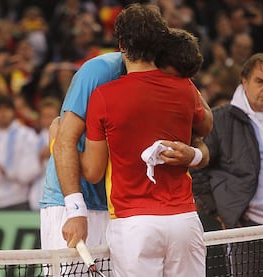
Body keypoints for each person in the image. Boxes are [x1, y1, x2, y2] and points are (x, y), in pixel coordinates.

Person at [41, 5, 212, 251]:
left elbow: (204, 123)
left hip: (122, 209)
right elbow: (66, 142)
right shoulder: (98, 72)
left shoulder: (169, 72)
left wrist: (196, 154)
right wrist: (75, 210)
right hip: (74, 203)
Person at [77, 9, 207, 275]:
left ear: (121, 45)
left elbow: (92, 172)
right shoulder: (185, 89)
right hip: (184, 220)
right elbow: (207, 125)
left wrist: (60, 142)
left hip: (134, 225)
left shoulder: (103, 97)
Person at [192, 53, 263, 276]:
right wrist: (220, 212)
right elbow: (197, 169)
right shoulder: (220, 119)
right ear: (244, 81)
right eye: (260, 81)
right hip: (246, 230)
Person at [0, 96, 41, 210]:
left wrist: (8, 173)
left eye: (6, 109)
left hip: (17, 199)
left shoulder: (27, 135)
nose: (3, 113)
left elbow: (30, 169)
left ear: (13, 112)